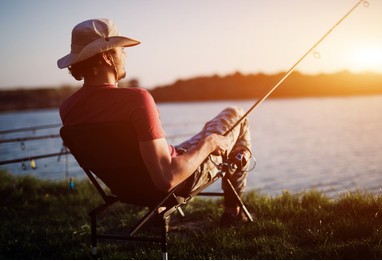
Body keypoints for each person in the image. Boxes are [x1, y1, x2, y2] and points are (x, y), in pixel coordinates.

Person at [58, 18, 252, 223]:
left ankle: (159, 214)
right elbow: (167, 179)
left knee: (209, 134)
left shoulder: (68, 108)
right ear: (107, 57)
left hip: (129, 190)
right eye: (121, 50)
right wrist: (209, 143)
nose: (125, 55)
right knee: (237, 116)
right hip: (176, 181)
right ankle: (233, 212)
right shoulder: (136, 100)